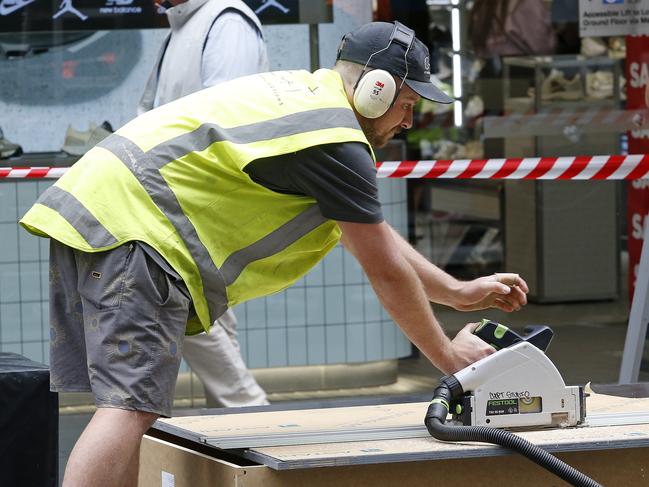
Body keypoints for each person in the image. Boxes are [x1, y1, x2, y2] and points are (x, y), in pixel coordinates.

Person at [20, 21, 529, 487]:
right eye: (408, 102)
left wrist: (457, 292)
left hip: (101, 215)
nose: (409, 120)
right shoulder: (335, 139)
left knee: (127, 406)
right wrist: (448, 357)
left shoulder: (311, 106)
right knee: (129, 409)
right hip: (136, 233)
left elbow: (372, 237)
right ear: (378, 88)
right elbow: (385, 270)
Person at [139, 0, 270, 408]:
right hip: (178, 202)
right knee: (209, 321)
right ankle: (237, 435)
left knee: (189, 311)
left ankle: (250, 415)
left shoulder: (226, 22)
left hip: (197, 205)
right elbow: (152, 115)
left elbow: (226, 123)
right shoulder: (184, 27)